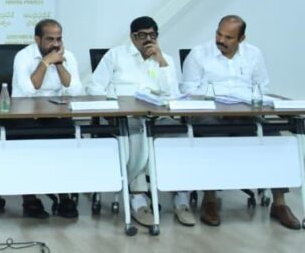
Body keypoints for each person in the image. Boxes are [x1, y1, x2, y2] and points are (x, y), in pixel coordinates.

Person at [180, 15, 301, 230]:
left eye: (228, 37)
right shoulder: (199, 55)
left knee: (276, 139)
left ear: (241, 38)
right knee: (211, 139)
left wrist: (243, 104)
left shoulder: (254, 55)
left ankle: (279, 203)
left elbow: (262, 88)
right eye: (219, 34)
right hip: (211, 115)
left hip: (247, 114)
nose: (221, 40)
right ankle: (209, 200)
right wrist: (221, 102)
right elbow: (188, 91)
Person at [86, 16, 194, 227]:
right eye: (142, 36)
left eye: (152, 35)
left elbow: (173, 93)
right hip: (125, 117)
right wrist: (111, 106)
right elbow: (94, 87)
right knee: (137, 136)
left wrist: (161, 62)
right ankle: (138, 198)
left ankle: (181, 197)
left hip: (157, 116)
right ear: (132, 36)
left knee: (181, 136)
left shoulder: (166, 60)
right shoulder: (116, 55)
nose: (147, 40)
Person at [10, 18, 83, 219]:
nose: (55, 44)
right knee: (27, 144)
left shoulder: (69, 56)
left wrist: (59, 64)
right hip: (25, 114)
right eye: (50, 39)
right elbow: (28, 91)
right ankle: (29, 198)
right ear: (37, 39)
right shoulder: (23, 57)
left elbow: (76, 90)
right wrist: (45, 63)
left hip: (55, 113)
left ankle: (64, 194)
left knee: (67, 137)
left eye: (58, 39)